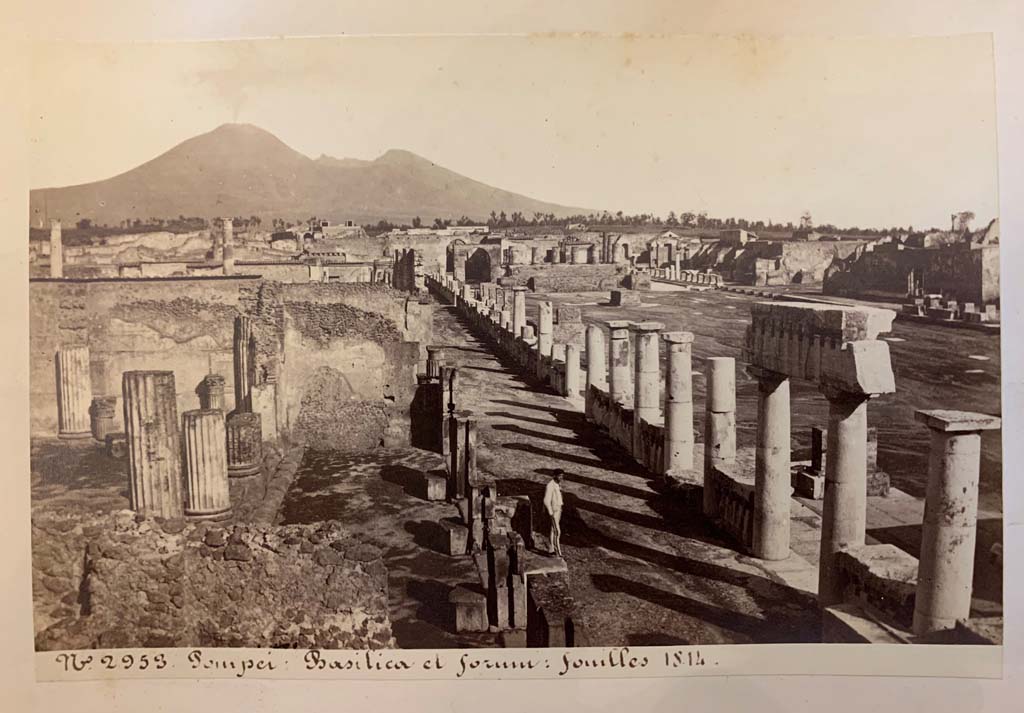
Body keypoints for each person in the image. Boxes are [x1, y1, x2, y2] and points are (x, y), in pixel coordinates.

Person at [543, 469, 565, 556]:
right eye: (559, 476)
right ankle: (558, 553)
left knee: (553, 530)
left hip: (558, 510)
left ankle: (551, 550)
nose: (561, 477)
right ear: (554, 476)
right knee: (557, 531)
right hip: (553, 512)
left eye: (562, 476)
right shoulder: (550, 486)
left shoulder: (558, 484)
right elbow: (546, 500)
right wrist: (550, 512)